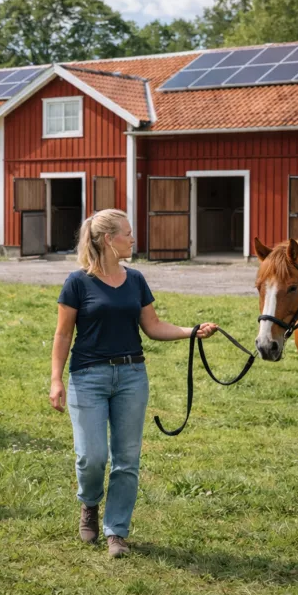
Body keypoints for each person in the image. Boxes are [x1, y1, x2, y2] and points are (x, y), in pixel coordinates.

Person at [50, 208, 218, 558]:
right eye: (127, 233)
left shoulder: (137, 280)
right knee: (91, 457)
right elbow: (63, 335)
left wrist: (192, 331)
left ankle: (117, 531)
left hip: (131, 377)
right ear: (109, 240)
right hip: (87, 377)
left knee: (126, 459)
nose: (133, 239)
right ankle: (89, 504)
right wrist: (56, 380)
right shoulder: (77, 283)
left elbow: (153, 326)